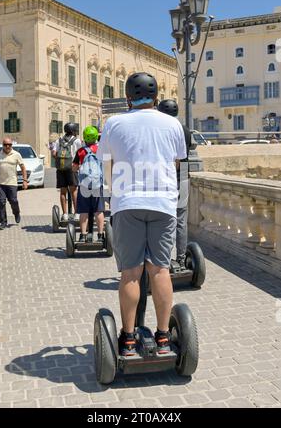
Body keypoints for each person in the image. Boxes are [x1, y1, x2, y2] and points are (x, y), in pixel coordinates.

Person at [97, 72, 186, 357]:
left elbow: (107, 166)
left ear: (128, 98)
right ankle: (162, 338)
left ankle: (129, 339)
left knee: (130, 273)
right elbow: (175, 163)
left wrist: (116, 196)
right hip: (162, 203)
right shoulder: (172, 124)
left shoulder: (114, 123)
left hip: (127, 203)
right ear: (156, 97)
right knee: (160, 270)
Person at [158, 99, 191, 268]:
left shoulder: (160, 129)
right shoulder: (185, 130)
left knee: (163, 218)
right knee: (181, 219)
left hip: (167, 175)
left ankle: (163, 257)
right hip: (184, 174)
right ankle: (181, 257)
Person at [0, 137, 28, 230]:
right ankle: (3, 222)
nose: (7, 146)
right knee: (1, 203)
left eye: (9, 144)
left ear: (11, 145)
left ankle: (16, 213)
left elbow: (23, 168)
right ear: (3, 145)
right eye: (5, 145)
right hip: (0, 183)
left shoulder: (16, 154)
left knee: (13, 201)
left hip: (12, 183)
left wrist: (25, 181)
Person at [72, 126, 105, 243]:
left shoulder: (80, 151)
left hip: (84, 185)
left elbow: (74, 168)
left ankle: (83, 235)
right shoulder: (101, 150)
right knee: (99, 211)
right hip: (97, 184)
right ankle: (100, 235)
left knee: (84, 211)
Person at [52, 123, 81, 221]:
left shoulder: (58, 140)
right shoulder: (76, 141)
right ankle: (77, 213)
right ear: (74, 130)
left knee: (63, 192)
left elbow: (54, 153)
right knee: (74, 191)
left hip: (61, 169)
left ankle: (64, 214)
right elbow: (80, 154)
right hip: (72, 168)